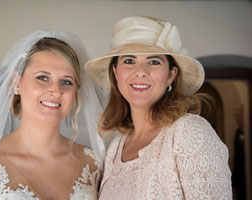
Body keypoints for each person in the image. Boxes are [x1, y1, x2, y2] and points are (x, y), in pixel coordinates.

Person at [85, 16, 232, 199]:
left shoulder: (189, 132)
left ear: (171, 75)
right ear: (115, 73)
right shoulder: (115, 149)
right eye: (129, 61)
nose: (140, 71)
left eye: (154, 61)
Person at [0, 30, 105, 199]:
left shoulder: (94, 163)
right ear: (16, 83)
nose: (56, 90)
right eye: (42, 78)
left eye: (66, 81)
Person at [232, 104, 246, 200]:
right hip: (240, 175)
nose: (238, 118)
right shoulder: (238, 132)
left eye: (240, 115)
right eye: (236, 116)